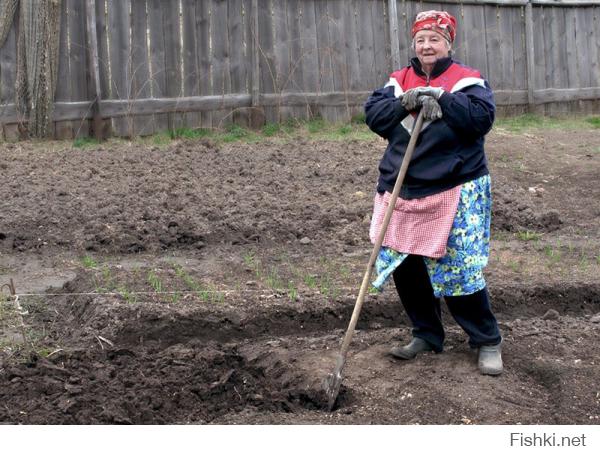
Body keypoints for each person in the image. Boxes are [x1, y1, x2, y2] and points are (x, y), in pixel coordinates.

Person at [364, 10, 503, 375]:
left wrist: (443, 98)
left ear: (448, 44)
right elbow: (375, 117)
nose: (427, 45)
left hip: (453, 187)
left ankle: (486, 340)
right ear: (414, 44)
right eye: (421, 39)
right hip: (402, 188)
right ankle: (426, 333)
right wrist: (405, 102)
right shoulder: (398, 80)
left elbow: (479, 120)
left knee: (458, 269)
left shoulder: (467, 80)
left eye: (435, 39)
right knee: (405, 266)